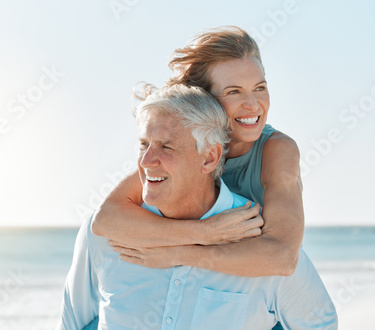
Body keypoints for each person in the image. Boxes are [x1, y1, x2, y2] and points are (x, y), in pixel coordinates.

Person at [57, 84, 337, 329]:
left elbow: (320, 324)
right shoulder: (102, 237)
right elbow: (73, 325)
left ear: (209, 158)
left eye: (167, 147)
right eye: (144, 145)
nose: (146, 161)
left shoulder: (263, 245)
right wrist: (202, 233)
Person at [91, 26, 303, 278]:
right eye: (233, 91)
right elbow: (106, 220)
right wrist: (204, 232)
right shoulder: (182, 146)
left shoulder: (277, 149)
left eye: (259, 87)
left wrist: (179, 254)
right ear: (204, 99)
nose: (253, 104)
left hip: (261, 293)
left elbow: (283, 258)